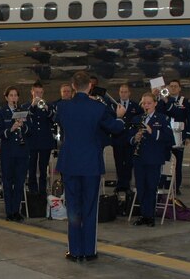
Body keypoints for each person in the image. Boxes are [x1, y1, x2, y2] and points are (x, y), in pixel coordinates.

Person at [55, 71, 125, 262]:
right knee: (90, 207)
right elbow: (115, 128)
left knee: (73, 207)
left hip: (70, 163)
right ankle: (89, 251)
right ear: (90, 86)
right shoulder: (98, 107)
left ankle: (74, 251)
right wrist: (119, 116)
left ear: (73, 86)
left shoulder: (62, 106)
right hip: (91, 164)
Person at [130, 92, 174, 227]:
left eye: (149, 103)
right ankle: (143, 214)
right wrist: (135, 138)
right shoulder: (137, 118)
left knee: (151, 187)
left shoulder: (162, 118)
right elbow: (129, 137)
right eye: (144, 103)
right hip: (139, 158)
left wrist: (152, 131)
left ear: (155, 104)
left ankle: (150, 216)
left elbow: (169, 138)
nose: (146, 105)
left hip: (154, 158)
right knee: (141, 187)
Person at [0, 86, 32, 221]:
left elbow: (30, 131)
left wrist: (24, 126)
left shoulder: (23, 112)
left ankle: (16, 210)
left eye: (15, 95)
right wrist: (11, 129)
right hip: (8, 153)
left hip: (22, 152)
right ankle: (9, 211)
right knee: (7, 182)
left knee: (19, 182)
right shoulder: (2, 112)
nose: (13, 98)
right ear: (6, 98)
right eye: (11, 95)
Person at [159, 79, 190, 195]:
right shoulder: (163, 100)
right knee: (164, 161)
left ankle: (175, 186)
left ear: (179, 88)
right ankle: (163, 184)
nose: (173, 88)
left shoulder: (185, 102)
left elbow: (189, 118)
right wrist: (162, 99)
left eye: (175, 86)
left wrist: (188, 135)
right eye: (171, 86)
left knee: (177, 162)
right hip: (165, 135)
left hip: (179, 135)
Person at [111, 84, 142, 192]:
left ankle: (127, 184)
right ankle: (120, 184)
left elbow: (139, 119)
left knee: (129, 162)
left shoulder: (135, 106)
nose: (123, 94)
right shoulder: (114, 105)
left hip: (130, 138)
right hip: (117, 138)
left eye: (125, 92)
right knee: (119, 162)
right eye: (121, 92)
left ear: (129, 93)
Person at [25, 82, 54, 195]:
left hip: (45, 141)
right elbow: (26, 118)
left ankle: (42, 191)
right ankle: (32, 191)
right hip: (31, 141)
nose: (39, 95)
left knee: (43, 168)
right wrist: (32, 105)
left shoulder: (48, 105)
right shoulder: (26, 106)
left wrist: (47, 109)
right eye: (36, 92)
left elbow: (53, 119)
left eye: (41, 93)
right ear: (32, 92)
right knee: (31, 167)